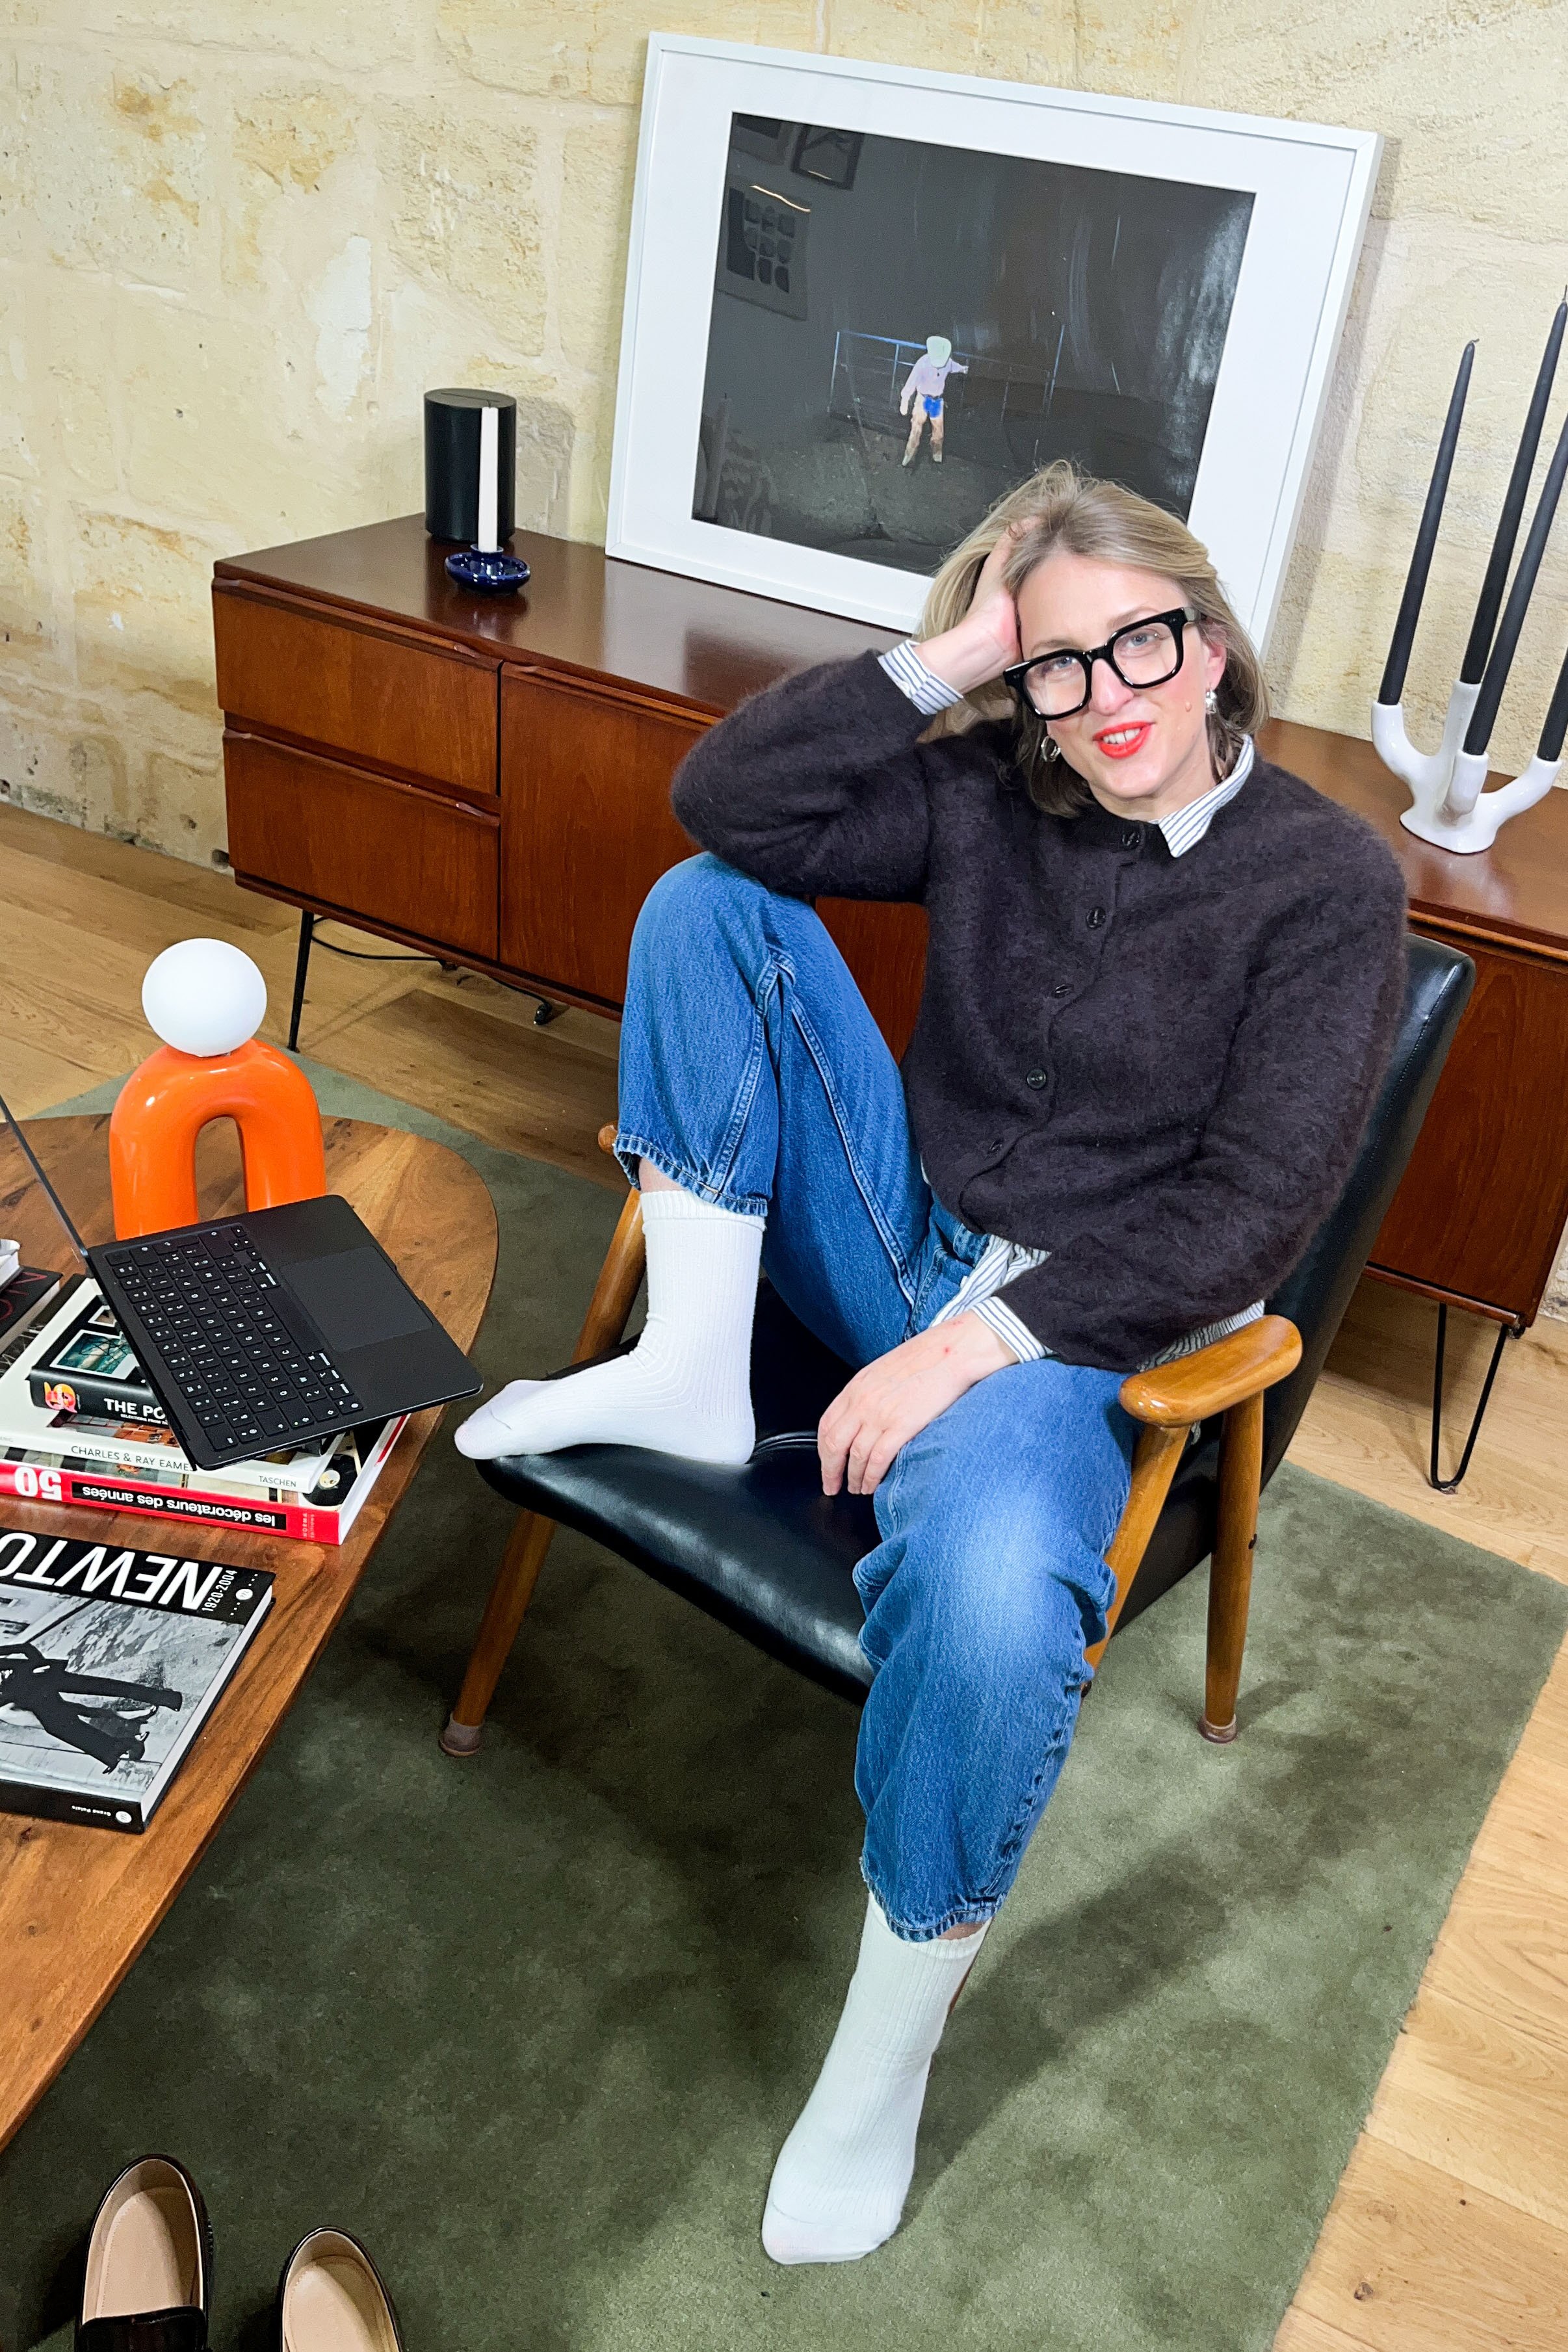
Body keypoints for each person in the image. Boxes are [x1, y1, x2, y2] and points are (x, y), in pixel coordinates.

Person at [456, 460, 1408, 2266]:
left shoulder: (1323, 887)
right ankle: (689, 1365)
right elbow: (725, 801)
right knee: (704, 904)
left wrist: (974, 1343)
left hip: (1086, 1340)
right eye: (1059, 664)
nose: (1107, 698)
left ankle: (881, 2058)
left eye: (1142, 644)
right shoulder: (1003, 783)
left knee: (985, 1604)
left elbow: (1250, 1214)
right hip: (911, 1233)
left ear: (1212, 646)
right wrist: (959, 647)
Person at [900, 333, 968, 466]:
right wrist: (905, 399)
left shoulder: (947, 362)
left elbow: (954, 367)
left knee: (939, 432)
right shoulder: (923, 363)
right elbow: (911, 382)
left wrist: (963, 369)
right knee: (916, 429)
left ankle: (937, 456)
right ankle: (909, 456)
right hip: (923, 400)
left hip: (937, 401)